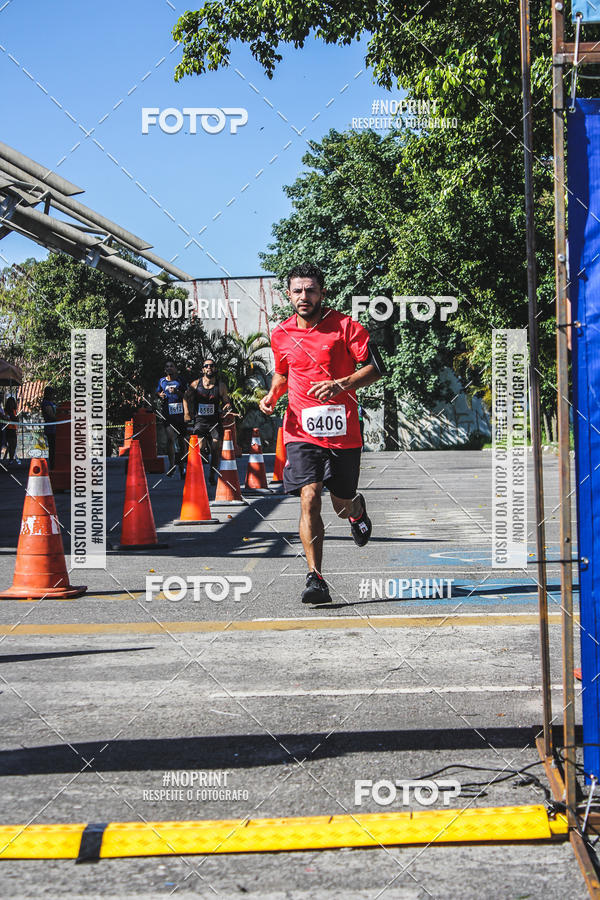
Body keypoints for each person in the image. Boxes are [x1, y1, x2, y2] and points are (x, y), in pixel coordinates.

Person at [259, 262, 384, 605]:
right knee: (309, 496)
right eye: (298, 291)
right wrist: (272, 395)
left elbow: (376, 368)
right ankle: (315, 577)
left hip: (343, 432)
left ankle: (356, 510)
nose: (304, 296)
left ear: (322, 293)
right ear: (289, 295)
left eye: (311, 290)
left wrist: (341, 384)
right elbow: (283, 373)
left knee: (340, 504)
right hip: (301, 430)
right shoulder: (281, 334)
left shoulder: (346, 327)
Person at [184, 358, 233, 484]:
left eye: (211, 366)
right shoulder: (196, 384)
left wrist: (227, 407)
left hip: (214, 421)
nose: (209, 368)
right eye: (206, 366)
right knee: (201, 447)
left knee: (216, 448)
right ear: (203, 369)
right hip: (200, 421)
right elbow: (185, 398)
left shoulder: (220, 386)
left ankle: (212, 474)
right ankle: (204, 452)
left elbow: (226, 401)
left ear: (215, 368)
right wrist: (187, 413)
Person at [156, 360, 187, 478]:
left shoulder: (181, 380)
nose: (169, 368)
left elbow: (187, 395)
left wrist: (177, 392)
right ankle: (172, 465)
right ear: (165, 370)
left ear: (175, 369)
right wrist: (160, 395)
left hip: (180, 414)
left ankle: (182, 466)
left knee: (181, 440)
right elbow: (157, 392)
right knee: (170, 438)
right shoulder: (162, 381)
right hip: (168, 413)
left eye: (171, 366)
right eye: (167, 366)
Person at [41, 386, 57, 470]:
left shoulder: (51, 402)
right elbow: (51, 415)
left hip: (54, 428)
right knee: (52, 447)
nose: (54, 396)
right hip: (51, 428)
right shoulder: (46, 403)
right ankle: (53, 464)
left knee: (55, 447)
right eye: (53, 394)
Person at [1, 396, 19, 463]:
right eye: (10, 403)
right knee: (11, 444)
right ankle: (10, 459)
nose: (11, 404)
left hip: (13, 429)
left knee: (13, 445)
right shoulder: (6, 411)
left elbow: (16, 419)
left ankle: (9, 458)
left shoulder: (14, 411)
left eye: (12, 403)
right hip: (8, 429)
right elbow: (11, 418)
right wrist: (13, 417)